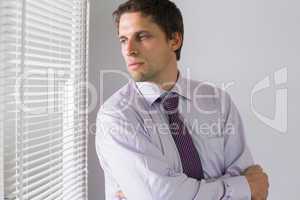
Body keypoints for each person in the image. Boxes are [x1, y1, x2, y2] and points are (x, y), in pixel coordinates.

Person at [95, 0, 269, 199]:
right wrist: (240, 188)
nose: (129, 50)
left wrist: (181, 190)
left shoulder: (217, 102)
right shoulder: (117, 115)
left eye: (142, 36)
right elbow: (163, 196)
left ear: (174, 40)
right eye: (123, 40)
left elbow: (252, 190)